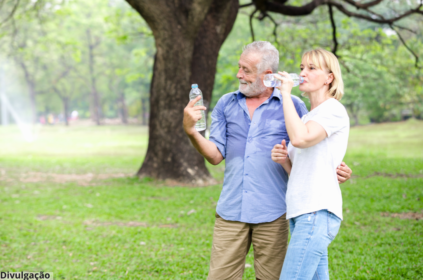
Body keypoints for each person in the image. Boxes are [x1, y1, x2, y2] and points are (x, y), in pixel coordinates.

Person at [183, 41, 352, 280]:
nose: (239, 74)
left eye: (247, 70)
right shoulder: (226, 104)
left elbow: (311, 142)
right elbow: (215, 156)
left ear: (268, 75)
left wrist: (336, 168)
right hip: (234, 210)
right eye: (239, 67)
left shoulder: (294, 106)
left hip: (276, 212)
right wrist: (192, 131)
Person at [271, 48, 349, 280]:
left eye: (312, 68)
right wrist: (284, 160)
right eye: (302, 67)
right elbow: (301, 171)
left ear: (329, 78)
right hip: (299, 211)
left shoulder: (333, 109)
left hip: (316, 211)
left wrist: (285, 94)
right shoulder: (306, 118)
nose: (303, 72)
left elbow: (301, 139)